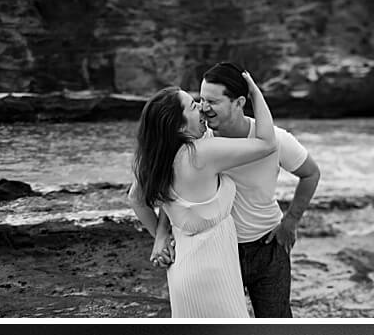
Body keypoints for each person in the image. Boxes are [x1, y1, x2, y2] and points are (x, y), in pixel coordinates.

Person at [127, 71, 277, 320]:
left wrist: (161, 236)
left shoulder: (159, 159)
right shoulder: (202, 152)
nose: (202, 109)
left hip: (182, 268)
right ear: (178, 125)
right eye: (193, 106)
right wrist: (254, 92)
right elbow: (267, 143)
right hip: (212, 272)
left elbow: (135, 199)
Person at [198, 63, 321, 318]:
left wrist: (291, 221)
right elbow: (173, 187)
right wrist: (163, 234)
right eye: (200, 99)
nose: (203, 108)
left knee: (277, 327)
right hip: (218, 251)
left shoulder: (275, 140)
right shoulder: (199, 141)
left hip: (268, 247)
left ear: (239, 102)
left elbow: (310, 173)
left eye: (212, 101)